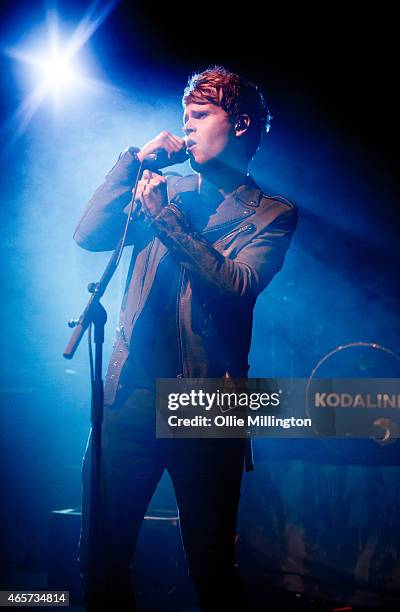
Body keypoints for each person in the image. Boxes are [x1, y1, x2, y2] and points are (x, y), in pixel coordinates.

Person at [74, 65, 297, 611]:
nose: (187, 128)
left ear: (241, 124)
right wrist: (133, 162)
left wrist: (167, 219)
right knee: (102, 558)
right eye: (185, 118)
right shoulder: (164, 187)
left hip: (209, 400)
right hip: (130, 393)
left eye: (200, 116)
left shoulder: (272, 213)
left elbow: (236, 286)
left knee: (211, 567)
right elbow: (89, 235)